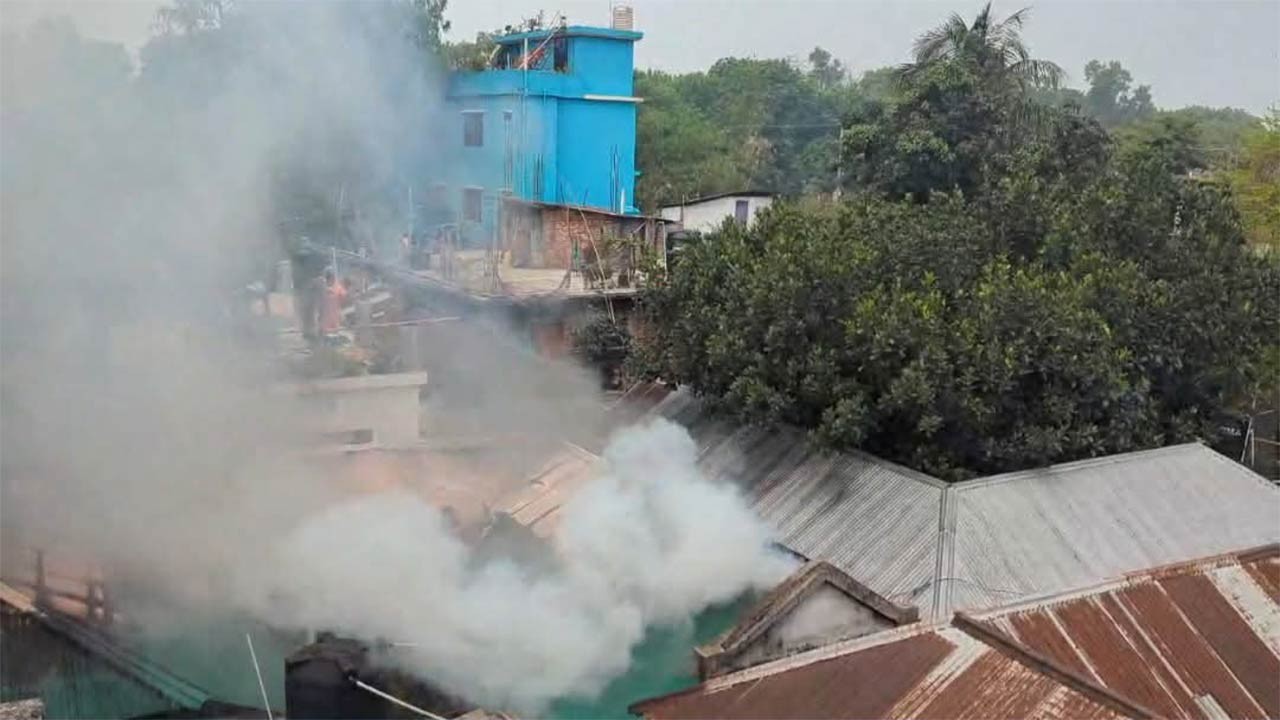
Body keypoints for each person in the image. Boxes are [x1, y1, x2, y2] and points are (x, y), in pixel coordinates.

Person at [319, 268, 347, 335]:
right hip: (325, 315)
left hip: (335, 314)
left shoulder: (338, 287)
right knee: (326, 332)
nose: (332, 279)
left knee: (335, 331)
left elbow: (344, 297)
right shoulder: (322, 286)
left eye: (332, 277)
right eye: (329, 277)